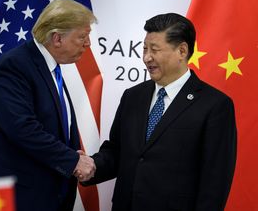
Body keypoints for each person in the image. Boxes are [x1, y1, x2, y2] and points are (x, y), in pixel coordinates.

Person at [80, 13, 237, 211]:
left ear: (182, 50)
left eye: (154, 50)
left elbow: (215, 181)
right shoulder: (133, 96)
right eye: (145, 48)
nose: (147, 57)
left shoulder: (215, 106)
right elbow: (117, 152)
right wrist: (90, 166)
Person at [0, 0, 97, 211]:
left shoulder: (49, 70)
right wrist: (72, 161)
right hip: (0, 199)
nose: (88, 44)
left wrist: (69, 154)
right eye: (83, 37)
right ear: (57, 38)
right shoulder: (15, 67)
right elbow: (22, 129)